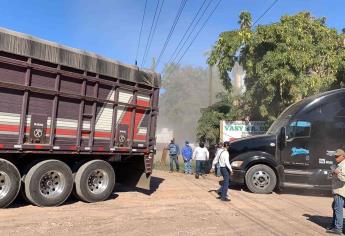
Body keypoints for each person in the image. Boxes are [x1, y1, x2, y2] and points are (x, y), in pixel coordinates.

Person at [327, 149, 345, 235]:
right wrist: (332, 173)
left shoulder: (343, 165)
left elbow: (343, 178)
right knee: (335, 207)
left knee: (338, 209)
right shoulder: (339, 165)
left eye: (337, 156)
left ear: (343, 156)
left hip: (340, 191)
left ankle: (338, 228)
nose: (335, 158)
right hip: (337, 190)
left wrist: (337, 173)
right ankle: (334, 225)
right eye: (335, 156)